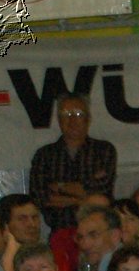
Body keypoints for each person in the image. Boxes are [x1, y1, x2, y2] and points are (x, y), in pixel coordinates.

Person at [29, 94, 116, 232]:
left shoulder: (104, 150)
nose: (72, 119)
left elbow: (102, 191)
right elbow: (41, 197)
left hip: (101, 232)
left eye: (78, 113)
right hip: (61, 231)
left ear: (88, 119)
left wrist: (60, 187)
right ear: (58, 120)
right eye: (66, 114)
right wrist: (85, 199)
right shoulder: (44, 155)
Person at [73, 203, 123, 271]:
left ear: (115, 236)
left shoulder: (113, 261)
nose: (85, 244)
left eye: (93, 235)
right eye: (80, 237)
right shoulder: (87, 264)